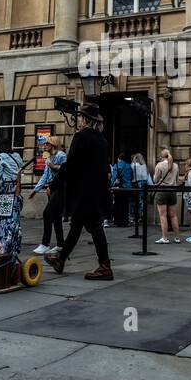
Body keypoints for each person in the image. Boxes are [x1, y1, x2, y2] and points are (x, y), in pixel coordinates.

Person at [45, 105, 113, 279]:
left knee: (95, 225)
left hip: (83, 191)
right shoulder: (102, 140)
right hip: (97, 190)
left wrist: (54, 184)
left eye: (82, 117)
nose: (81, 119)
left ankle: (105, 266)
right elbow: (105, 168)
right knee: (77, 225)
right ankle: (60, 260)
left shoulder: (81, 137)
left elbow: (70, 164)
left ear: (85, 119)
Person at [30, 136, 67, 255]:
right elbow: (45, 176)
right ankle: (60, 244)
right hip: (51, 188)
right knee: (56, 217)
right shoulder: (48, 158)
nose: (44, 146)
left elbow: (66, 169)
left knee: (47, 213)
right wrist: (35, 190)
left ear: (53, 144)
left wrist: (54, 166)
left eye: (47, 143)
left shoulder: (61, 155)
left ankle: (45, 244)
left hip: (60, 188)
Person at [153, 149, 181, 244]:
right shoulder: (176, 166)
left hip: (162, 191)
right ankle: (177, 238)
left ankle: (165, 238)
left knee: (163, 216)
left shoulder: (159, 165)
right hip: (172, 191)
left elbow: (155, 180)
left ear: (161, 157)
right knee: (173, 216)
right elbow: (177, 181)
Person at [110, 150, 135, 227]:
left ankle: (117, 221)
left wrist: (112, 185)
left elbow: (113, 178)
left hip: (118, 188)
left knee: (118, 204)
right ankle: (125, 221)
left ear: (118, 158)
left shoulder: (115, 166)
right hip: (127, 188)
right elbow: (132, 177)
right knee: (125, 205)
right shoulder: (129, 166)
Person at [131, 151, 151, 221]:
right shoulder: (144, 166)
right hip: (144, 183)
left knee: (136, 201)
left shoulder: (133, 165)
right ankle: (142, 215)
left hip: (137, 183)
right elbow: (147, 176)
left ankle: (137, 216)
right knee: (142, 200)